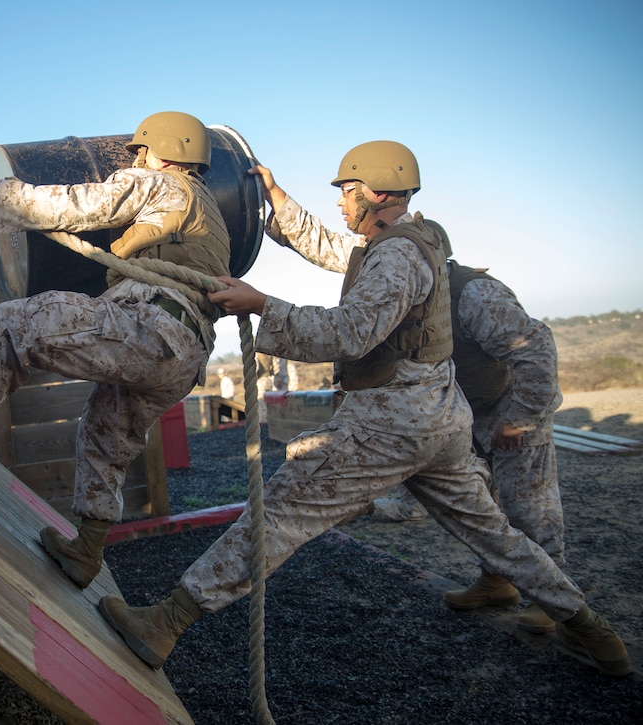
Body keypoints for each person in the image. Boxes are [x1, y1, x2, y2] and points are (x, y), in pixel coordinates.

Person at [96, 141, 632, 677]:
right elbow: (331, 248)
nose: (341, 202)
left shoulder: (395, 256)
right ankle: (591, 630)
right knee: (496, 534)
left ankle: (164, 624)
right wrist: (276, 198)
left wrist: (263, 306)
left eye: (348, 191)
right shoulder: (408, 243)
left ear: (377, 193)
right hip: (439, 420)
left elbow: (349, 332)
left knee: (278, 515)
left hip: (388, 427)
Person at [0, 111, 230, 588]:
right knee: (107, 430)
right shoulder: (209, 212)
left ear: (162, 152)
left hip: (153, 326)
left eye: (141, 151)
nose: (138, 159)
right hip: (185, 354)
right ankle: (86, 549)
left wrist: (2, 193)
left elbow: (82, 205)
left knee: (13, 321)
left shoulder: (160, 184)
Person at [369, 242, 565, 633]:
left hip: (514, 406)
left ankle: (552, 599)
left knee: (529, 506)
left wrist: (520, 418)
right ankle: (497, 583)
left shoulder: (473, 293)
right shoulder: (415, 296)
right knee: (485, 505)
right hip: (471, 412)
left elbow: (537, 350)